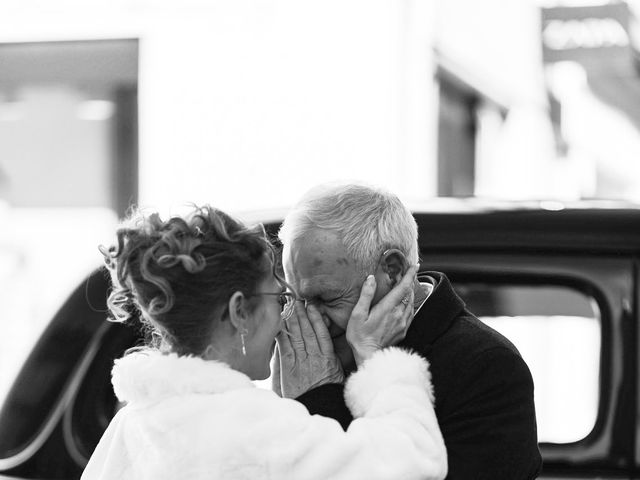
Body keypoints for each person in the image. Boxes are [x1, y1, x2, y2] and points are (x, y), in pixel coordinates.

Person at [82, 205, 448, 480]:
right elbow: (416, 461)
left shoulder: (128, 427)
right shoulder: (257, 430)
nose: (290, 323)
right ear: (240, 311)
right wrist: (376, 360)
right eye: (280, 301)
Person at [276, 183, 542, 480]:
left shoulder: (488, 367)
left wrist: (320, 399)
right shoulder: (307, 351)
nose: (306, 319)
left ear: (393, 270)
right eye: (292, 299)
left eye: (325, 299)